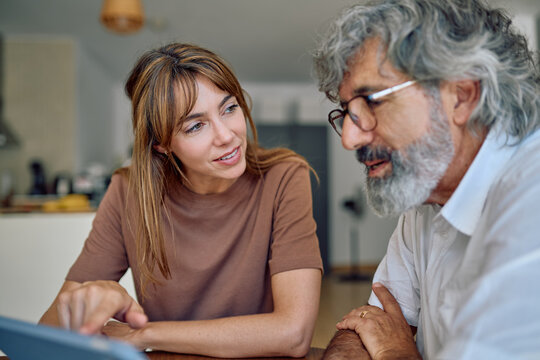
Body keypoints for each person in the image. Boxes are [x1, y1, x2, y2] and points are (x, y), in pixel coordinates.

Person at [39, 43, 323, 358]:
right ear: (162, 145)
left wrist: (143, 334)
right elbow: (46, 334)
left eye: (229, 108)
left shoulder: (284, 176)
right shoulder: (128, 191)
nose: (226, 135)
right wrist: (89, 297)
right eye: (195, 126)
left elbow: (294, 334)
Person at [313, 0, 540, 358]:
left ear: (461, 97)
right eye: (346, 112)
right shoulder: (425, 200)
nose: (348, 138)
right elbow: (365, 326)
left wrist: (396, 353)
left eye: (370, 102)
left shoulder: (532, 198)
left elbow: (386, 341)